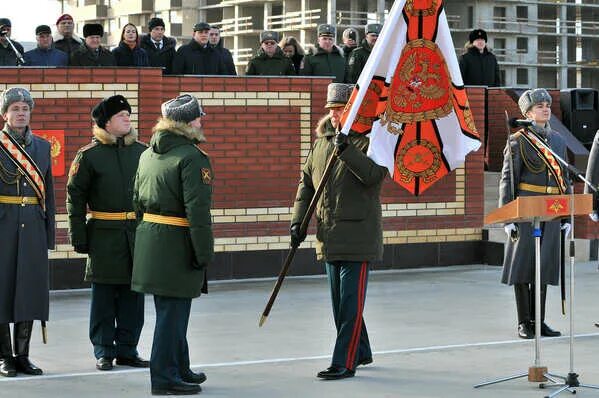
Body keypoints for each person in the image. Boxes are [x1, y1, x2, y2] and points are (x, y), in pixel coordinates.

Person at [290, 83, 387, 380]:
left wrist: (345, 150)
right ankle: (361, 350)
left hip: (359, 234)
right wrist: (299, 222)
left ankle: (344, 361)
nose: (334, 115)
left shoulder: (371, 141)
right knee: (340, 302)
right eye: (331, 109)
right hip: (328, 235)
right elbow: (307, 185)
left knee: (349, 304)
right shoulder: (321, 143)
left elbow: (373, 176)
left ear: (355, 110)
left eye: (340, 109)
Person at [131, 94, 213, 395]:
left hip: (151, 239)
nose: (201, 121)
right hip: (177, 242)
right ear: (188, 123)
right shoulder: (192, 157)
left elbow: (137, 201)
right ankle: (164, 378)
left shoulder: (147, 154)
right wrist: (203, 252)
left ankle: (179, 367)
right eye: (198, 117)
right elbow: (198, 211)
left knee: (172, 311)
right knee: (172, 315)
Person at [66, 95, 149, 371]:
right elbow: (75, 197)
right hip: (103, 232)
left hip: (137, 233)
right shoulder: (89, 155)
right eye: (121, 115)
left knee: (133, 296)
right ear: (106, 123)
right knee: (103, 295)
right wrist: (78, 235)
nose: (127, 118)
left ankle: (128, 348)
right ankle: (103, 349)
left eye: (128, 114)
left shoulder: (143, 152)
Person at [499, 88, 571, 339]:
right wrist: (508, 217)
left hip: (551, 210)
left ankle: (539, 321)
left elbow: (565, 179)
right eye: (539, 106)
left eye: (547, 105)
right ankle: (524, 322)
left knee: (544, 265)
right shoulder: (518, 141)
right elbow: (508, 179)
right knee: (523, 265)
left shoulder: (558, 141)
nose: (545, 109)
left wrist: (566, 216)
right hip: (526, 208)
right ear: (527, 113)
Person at [0, 87, 56, 377]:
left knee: (29, 291)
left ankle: (23, 354)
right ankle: (4, 356)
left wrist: (49, 233)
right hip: (3, 224)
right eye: (15, 108)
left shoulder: (43, 147)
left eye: (25, 108)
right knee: (2, 290)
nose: (21, 113)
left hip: (33, 224)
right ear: (5, 114)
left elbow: (49, 193)